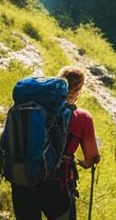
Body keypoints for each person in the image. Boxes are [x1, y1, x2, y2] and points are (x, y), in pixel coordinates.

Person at [11, 66, 100, 220]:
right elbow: (92, 158)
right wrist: (84, 163)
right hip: (57, 184)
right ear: (79, 90)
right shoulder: (82, 117)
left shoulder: (30, 109)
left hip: (23, 178)